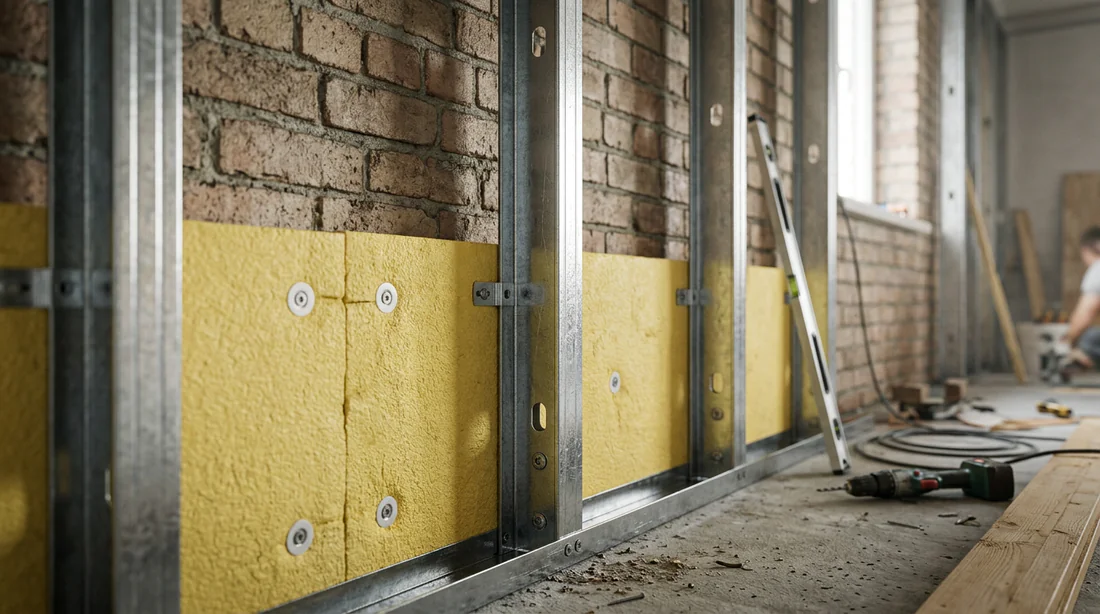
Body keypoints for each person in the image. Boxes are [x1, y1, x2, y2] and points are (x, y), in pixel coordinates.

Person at [1062, 226, 1100, 375]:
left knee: (1089, 339)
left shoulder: (1097, 270)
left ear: (1086, 250)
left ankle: (1082, 358)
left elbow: (1085, 313)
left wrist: (1068, 340)